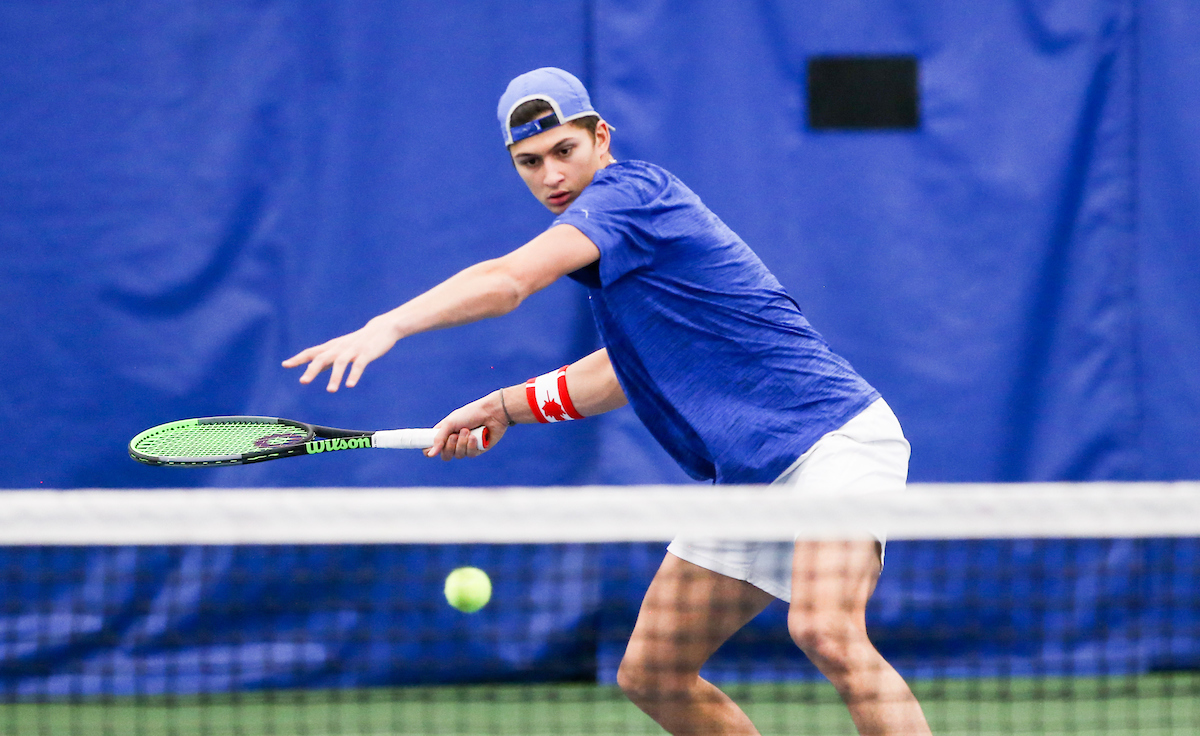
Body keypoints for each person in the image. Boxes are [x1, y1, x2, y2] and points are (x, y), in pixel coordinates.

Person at [284, 67, 932, 736]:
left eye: (564, 151)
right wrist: (503, 406)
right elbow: (620, 373)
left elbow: (508, 283)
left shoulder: (633, 196)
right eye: (529, 163)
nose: (550, 175)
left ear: (601, 138)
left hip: (830, 439)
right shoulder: (614, 248)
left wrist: (388, 325)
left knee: (824, 627)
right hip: (752, 474)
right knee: (652, 672)